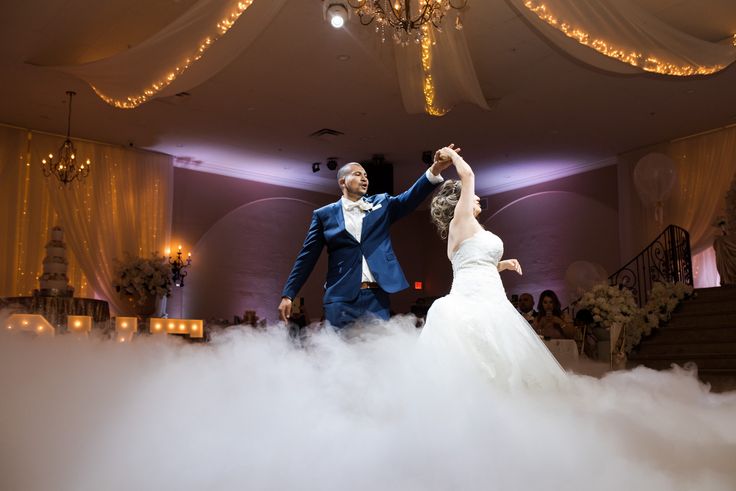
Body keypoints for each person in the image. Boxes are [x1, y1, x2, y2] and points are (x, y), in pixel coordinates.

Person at [419, 146, 565, 389]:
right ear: (460, 202)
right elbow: (468, 176)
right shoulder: (461, 221)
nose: (477, 197)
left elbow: (475, 266)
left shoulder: (472, 229)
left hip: (494, 299)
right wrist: (452, 156)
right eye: (472, 196)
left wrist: (501, 265)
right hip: (472, 302)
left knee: (506, 363)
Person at [279, 147, 455, 329]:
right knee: (339, 354)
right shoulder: (324, 215)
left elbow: (409, 199)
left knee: (376, 353)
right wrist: (289, 294)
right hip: (340, 297)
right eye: (357, 174)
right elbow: (306, 257)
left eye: (366, 175)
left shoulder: (382, 203)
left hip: (376, 297)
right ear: (342, 182)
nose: (364, 178)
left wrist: (435, 169)